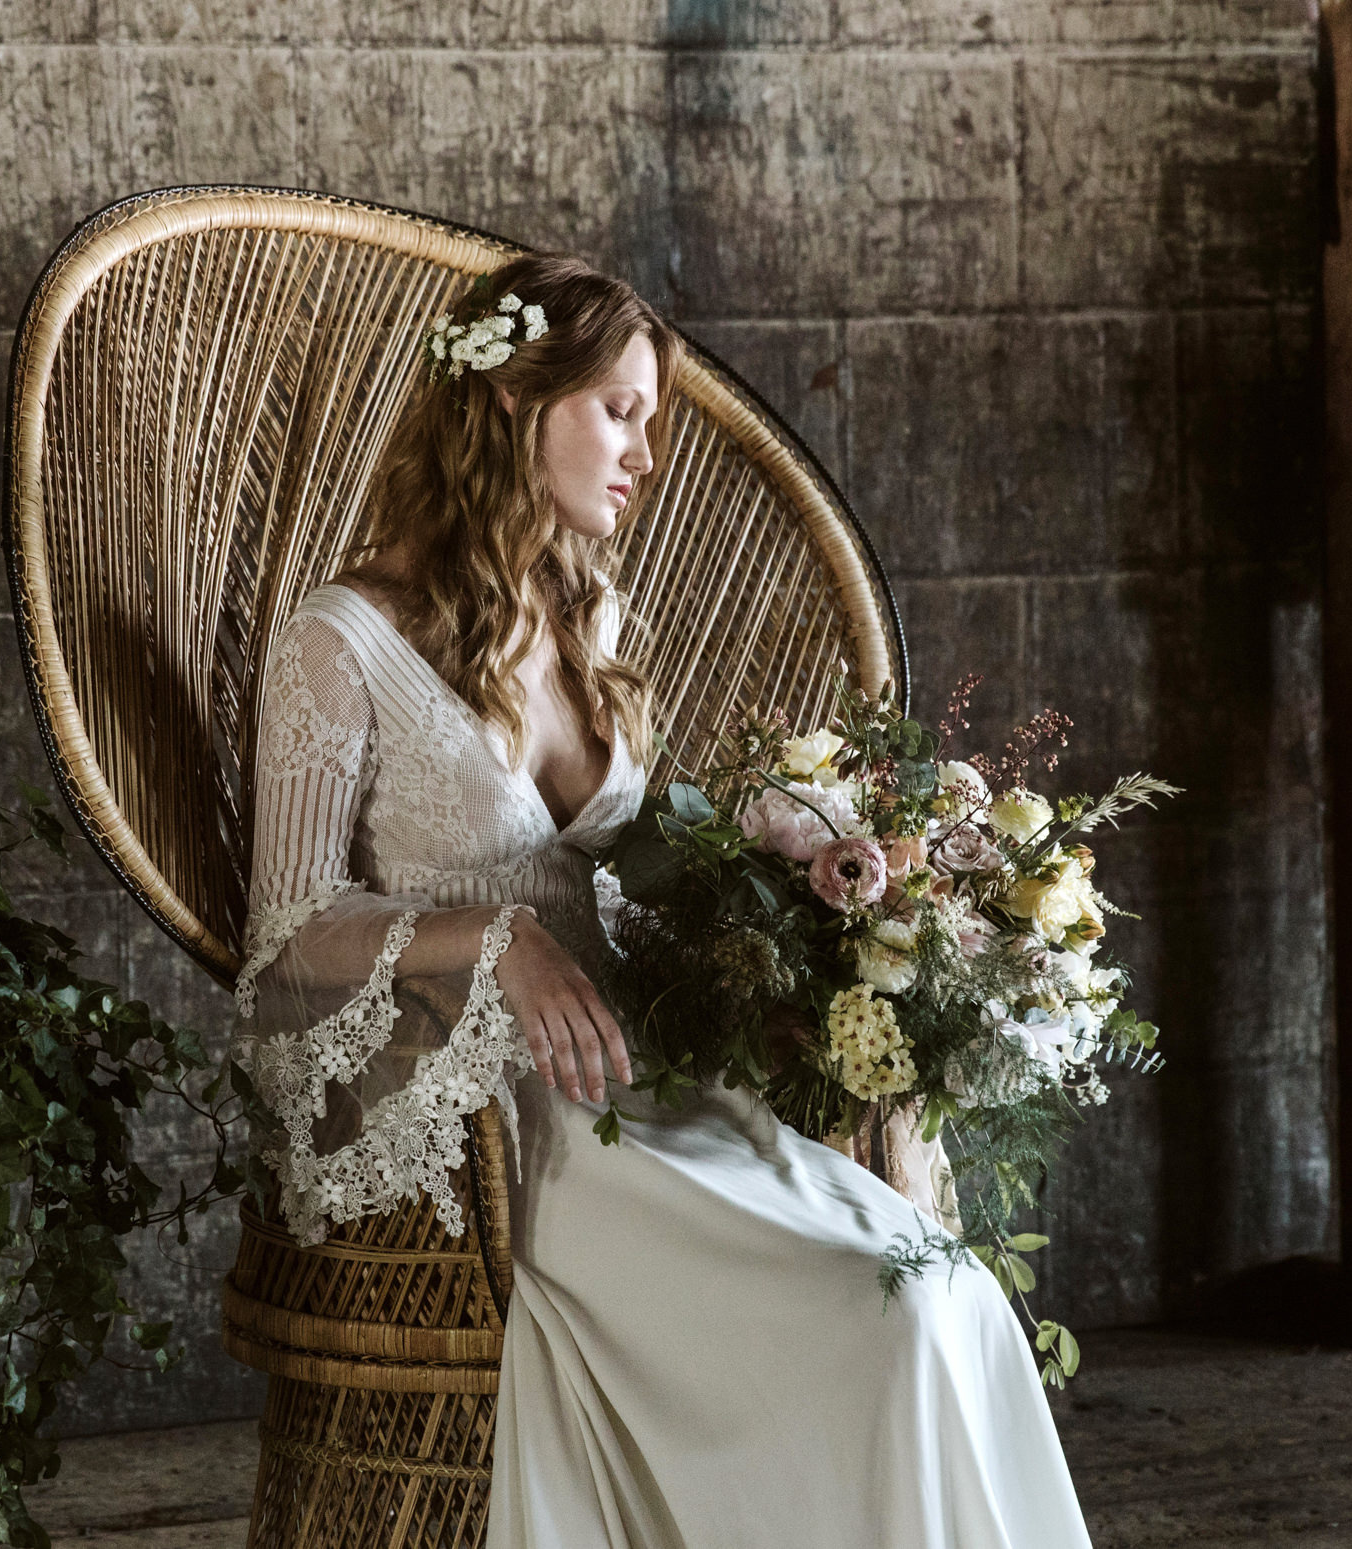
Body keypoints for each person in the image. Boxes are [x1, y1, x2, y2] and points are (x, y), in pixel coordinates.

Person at [233, 252, 1093, 1548]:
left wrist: (811, 937)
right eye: (618, 411)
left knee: (942, 1293)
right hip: (508, 1124)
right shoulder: (340, 640)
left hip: (654, 1076)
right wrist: (495, 937)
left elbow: (643, 885)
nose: (644, 452)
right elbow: (286, 940)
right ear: (518, 403)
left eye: (652, 421)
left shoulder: (584, 614)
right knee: (884, 1316)